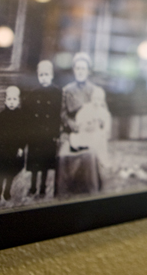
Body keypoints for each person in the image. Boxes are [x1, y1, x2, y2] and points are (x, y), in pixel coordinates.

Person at [57, 53, 107, 197]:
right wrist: (72, 125)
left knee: (91, 153)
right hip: (72, 131)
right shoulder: (67, 90)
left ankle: (90, 188)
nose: (80, 71)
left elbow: (102, 112)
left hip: (91, 131)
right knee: (63, 153)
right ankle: (65, 190)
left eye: (83, 69)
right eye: (77, 68)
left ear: (88, 71)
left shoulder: (94, 90)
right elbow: (63, 114)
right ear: (73, 70)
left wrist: (96, 123)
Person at [23, 60, 61, 197]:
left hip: (48, 134)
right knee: (34, 164)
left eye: (47, 74)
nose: (44, 77)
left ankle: (43, 187)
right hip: (35, 134)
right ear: (38, 76)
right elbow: (28, 115)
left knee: (44, 163)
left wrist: (56, 133)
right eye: (41, 75)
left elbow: (58, 116)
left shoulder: (57, 93)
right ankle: (32, 187)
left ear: (51, 75)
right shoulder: (33, 93)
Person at [0, 86, 26, 201]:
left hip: (14, 150)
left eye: (14, 99)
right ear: (5, 101)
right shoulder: (0, 116)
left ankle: (7, 191)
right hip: (2, 150)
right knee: (0, 173)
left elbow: (24, 134)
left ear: (19, 101)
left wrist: (21, 147)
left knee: (10, 173)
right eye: (9, 99)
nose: (12, 102)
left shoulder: (22, 117)